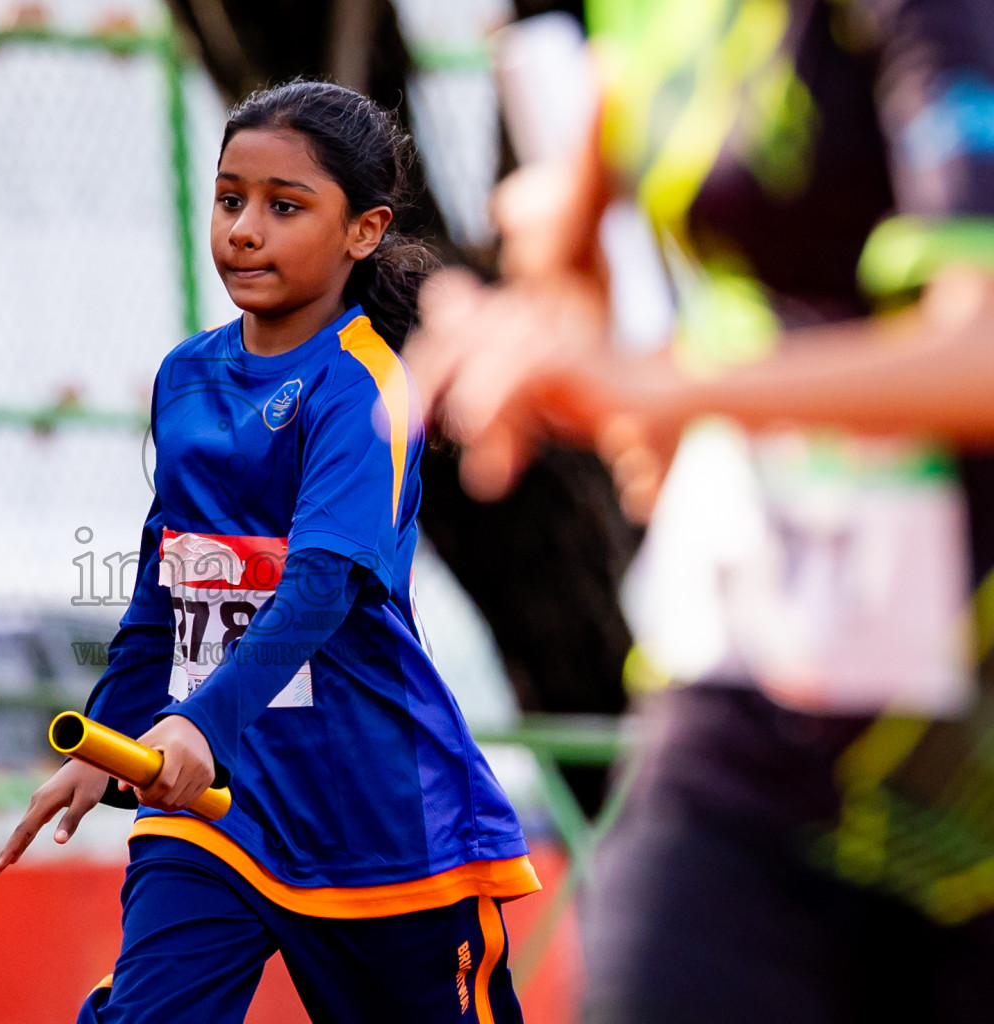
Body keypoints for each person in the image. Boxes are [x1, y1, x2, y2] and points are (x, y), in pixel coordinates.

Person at [407, 1, 994, 1021]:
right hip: (752, 707)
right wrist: (527, 335)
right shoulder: (647, 17)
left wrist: (667, 390)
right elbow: (572, 243)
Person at [0, 81, 540, 1023]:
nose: (244, 229)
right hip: (214, 812)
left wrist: (206, 721)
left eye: (285, 207)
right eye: (230, 197)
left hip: (374, 824)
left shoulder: (365, 389)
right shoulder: (187, 375)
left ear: (364, 231)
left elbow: (321, 589)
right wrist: (110, 734)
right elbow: (169, 585)